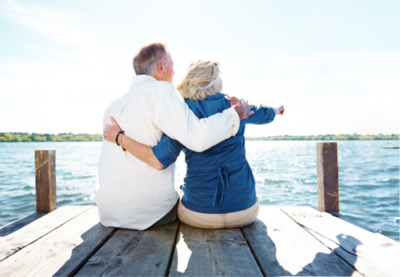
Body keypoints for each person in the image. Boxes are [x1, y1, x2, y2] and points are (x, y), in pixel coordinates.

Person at [104, 60, 284, 229]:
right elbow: (264, 114)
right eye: (219, 79)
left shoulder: (182, 112)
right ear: (213, 82)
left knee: (182, 199)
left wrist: (120, 137)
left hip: (199, 215)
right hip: (244, 212)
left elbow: (161, 157)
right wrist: (276, 110)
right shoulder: (237, 107)